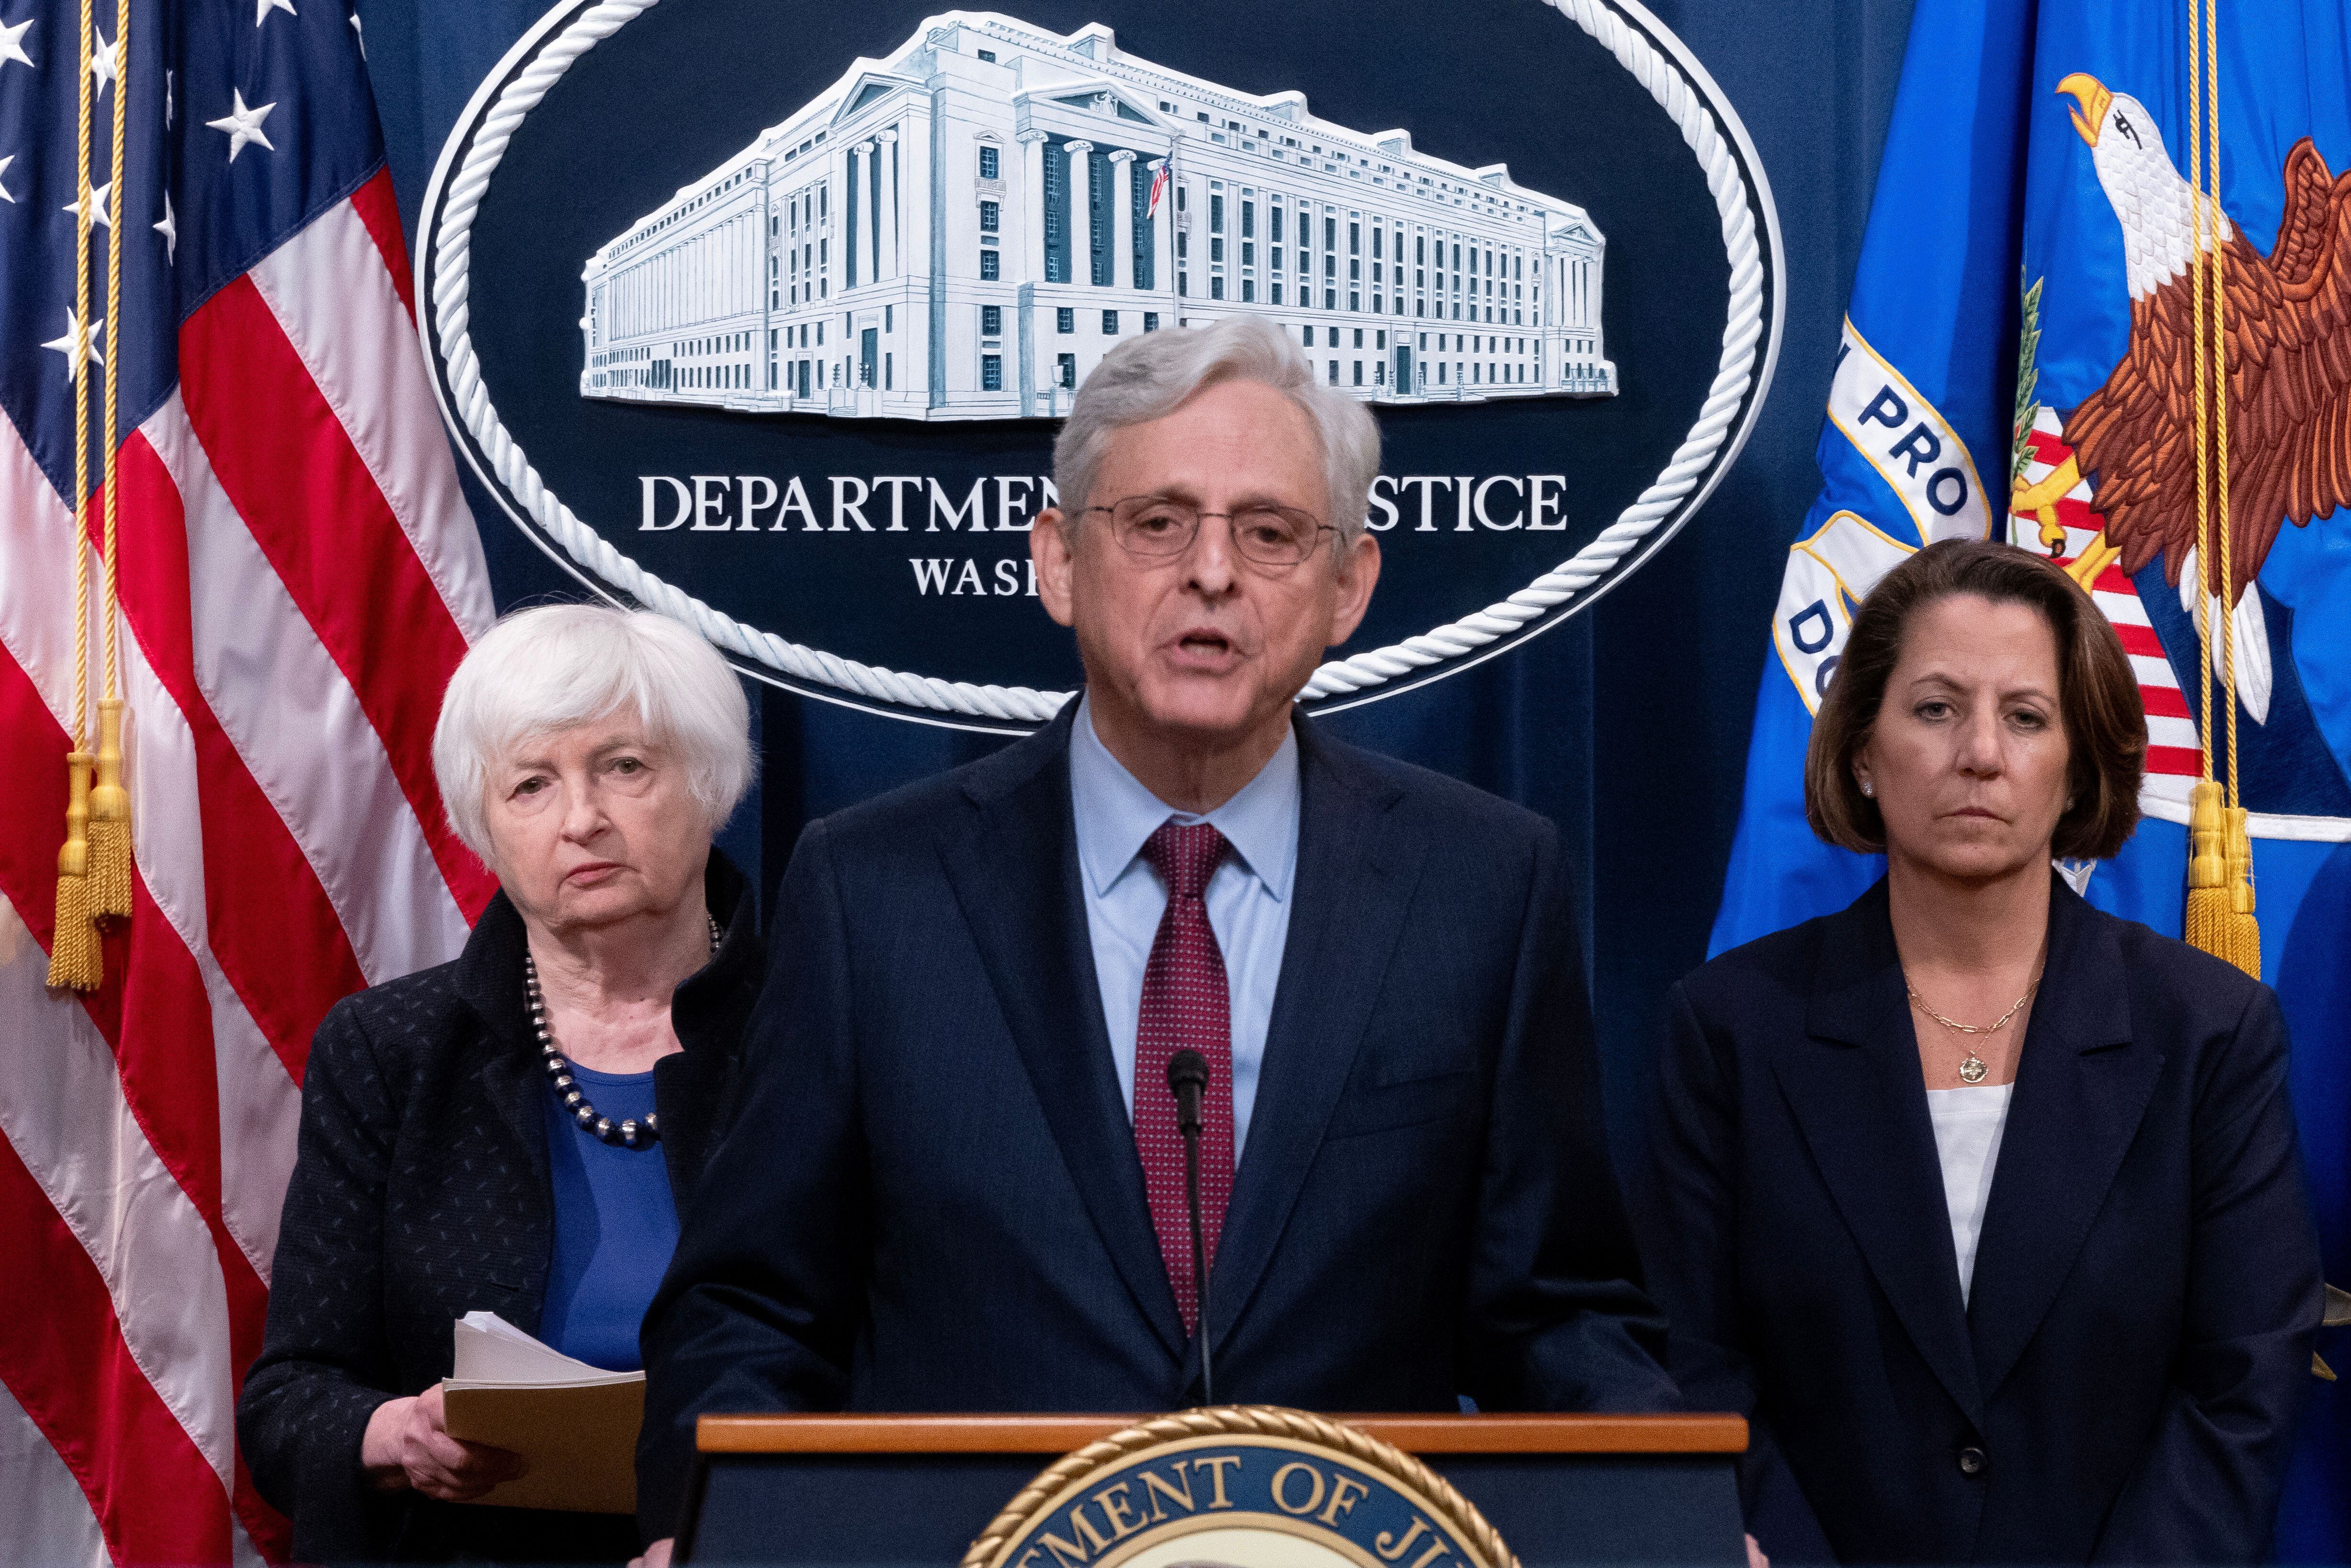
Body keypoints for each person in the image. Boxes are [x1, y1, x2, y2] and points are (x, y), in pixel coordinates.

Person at [632, 316, 1674, 1553]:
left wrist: (1673, 1525)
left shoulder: (1482, 886)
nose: (1214, 574)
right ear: (1060, 560)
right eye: (1158, 522)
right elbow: (753, 1310)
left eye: (1271, 532)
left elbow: (1555, 1314)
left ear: (1350, 588)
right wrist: (708, 1529)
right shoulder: (876, 888)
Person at [1646, 539, 2324, 1564]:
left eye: (2025, 715)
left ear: (2079, 762)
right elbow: (1689, 1358)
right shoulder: (1733, 1027)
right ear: (1863, 750)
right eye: (1933, 708)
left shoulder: (2208, 1032)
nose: (1979, 753)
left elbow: (2241, 1383)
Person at [239, 605, 765, 1562]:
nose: (582, 818)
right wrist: (398, 1432)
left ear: (708, 781)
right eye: (531, 783)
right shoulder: (389, 1049)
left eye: (625, 766)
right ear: (486, 826)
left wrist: (743, 1539)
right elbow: (289, 1401)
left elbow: (916, 1368)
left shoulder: (821, 1026)